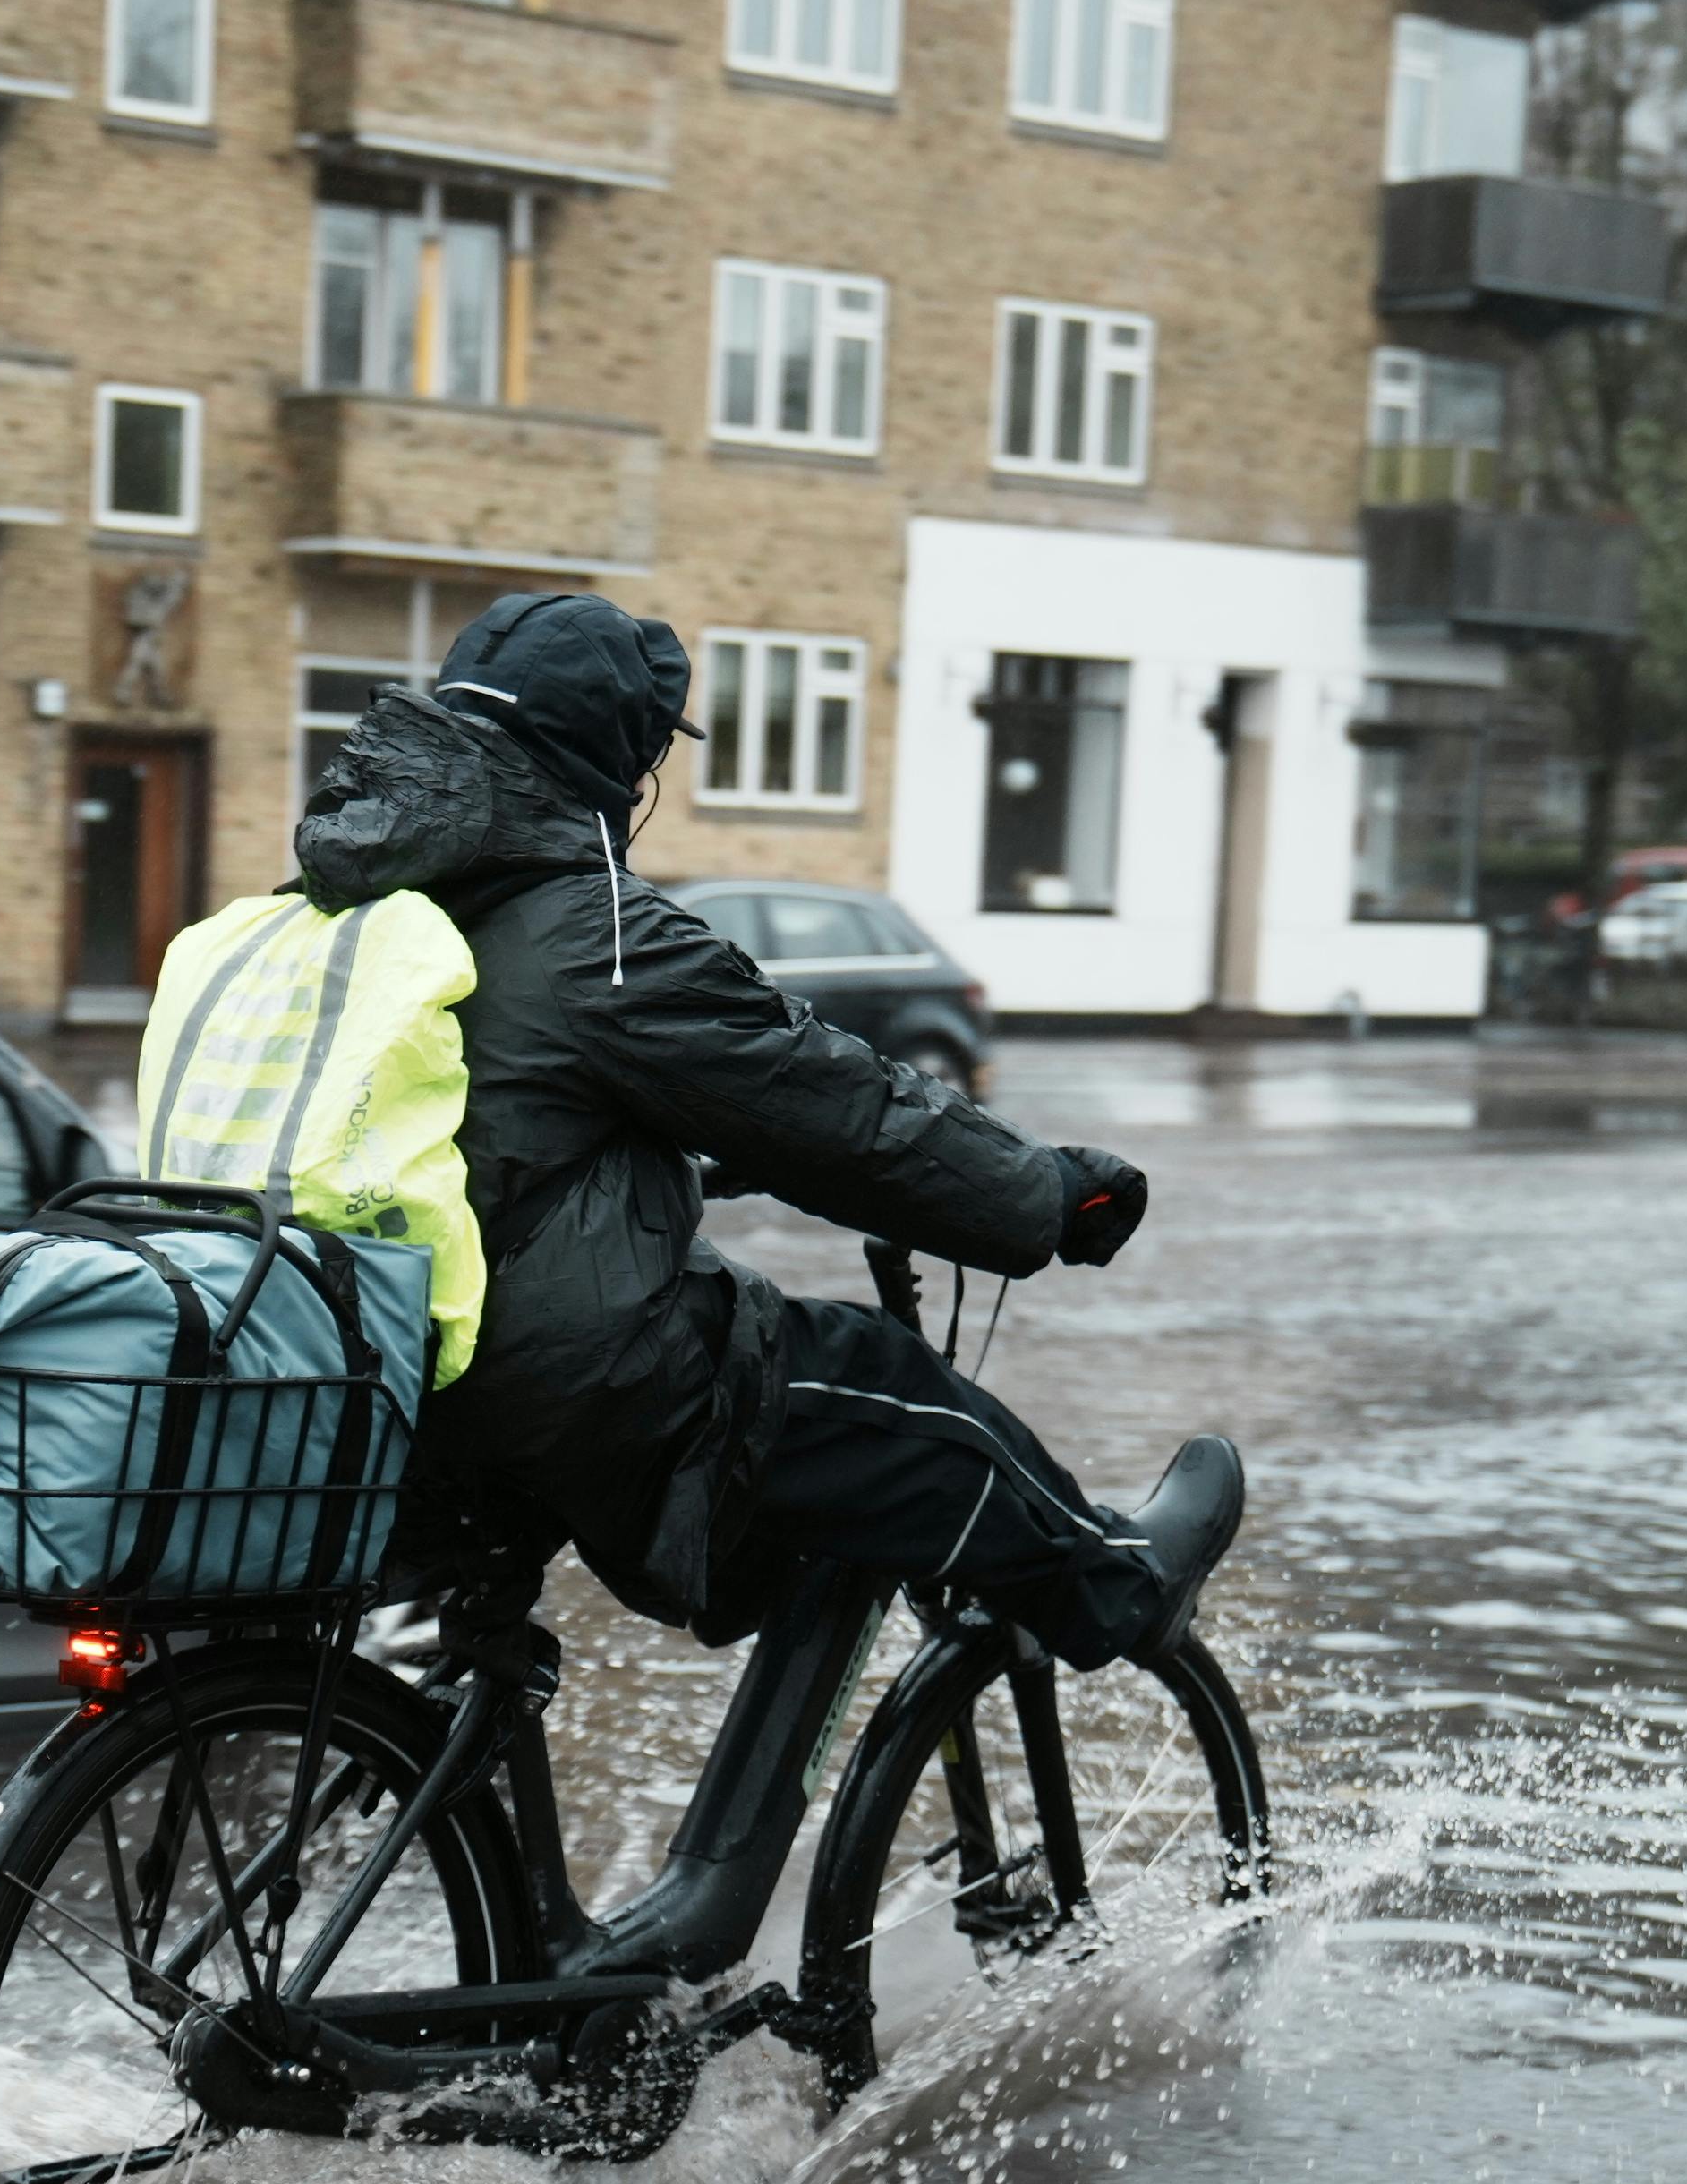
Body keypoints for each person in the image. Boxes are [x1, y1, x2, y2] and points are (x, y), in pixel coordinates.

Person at [277, 590, 1223, 1668]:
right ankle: (1120, 1583)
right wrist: (1041, 1196)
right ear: (608, 762)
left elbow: (476, 1122)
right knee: (893, 1396)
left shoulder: (339, 908)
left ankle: (464, 1813)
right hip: (542, 1381)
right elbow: (831, 1103)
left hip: (373, 1373)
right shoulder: (600, 935)